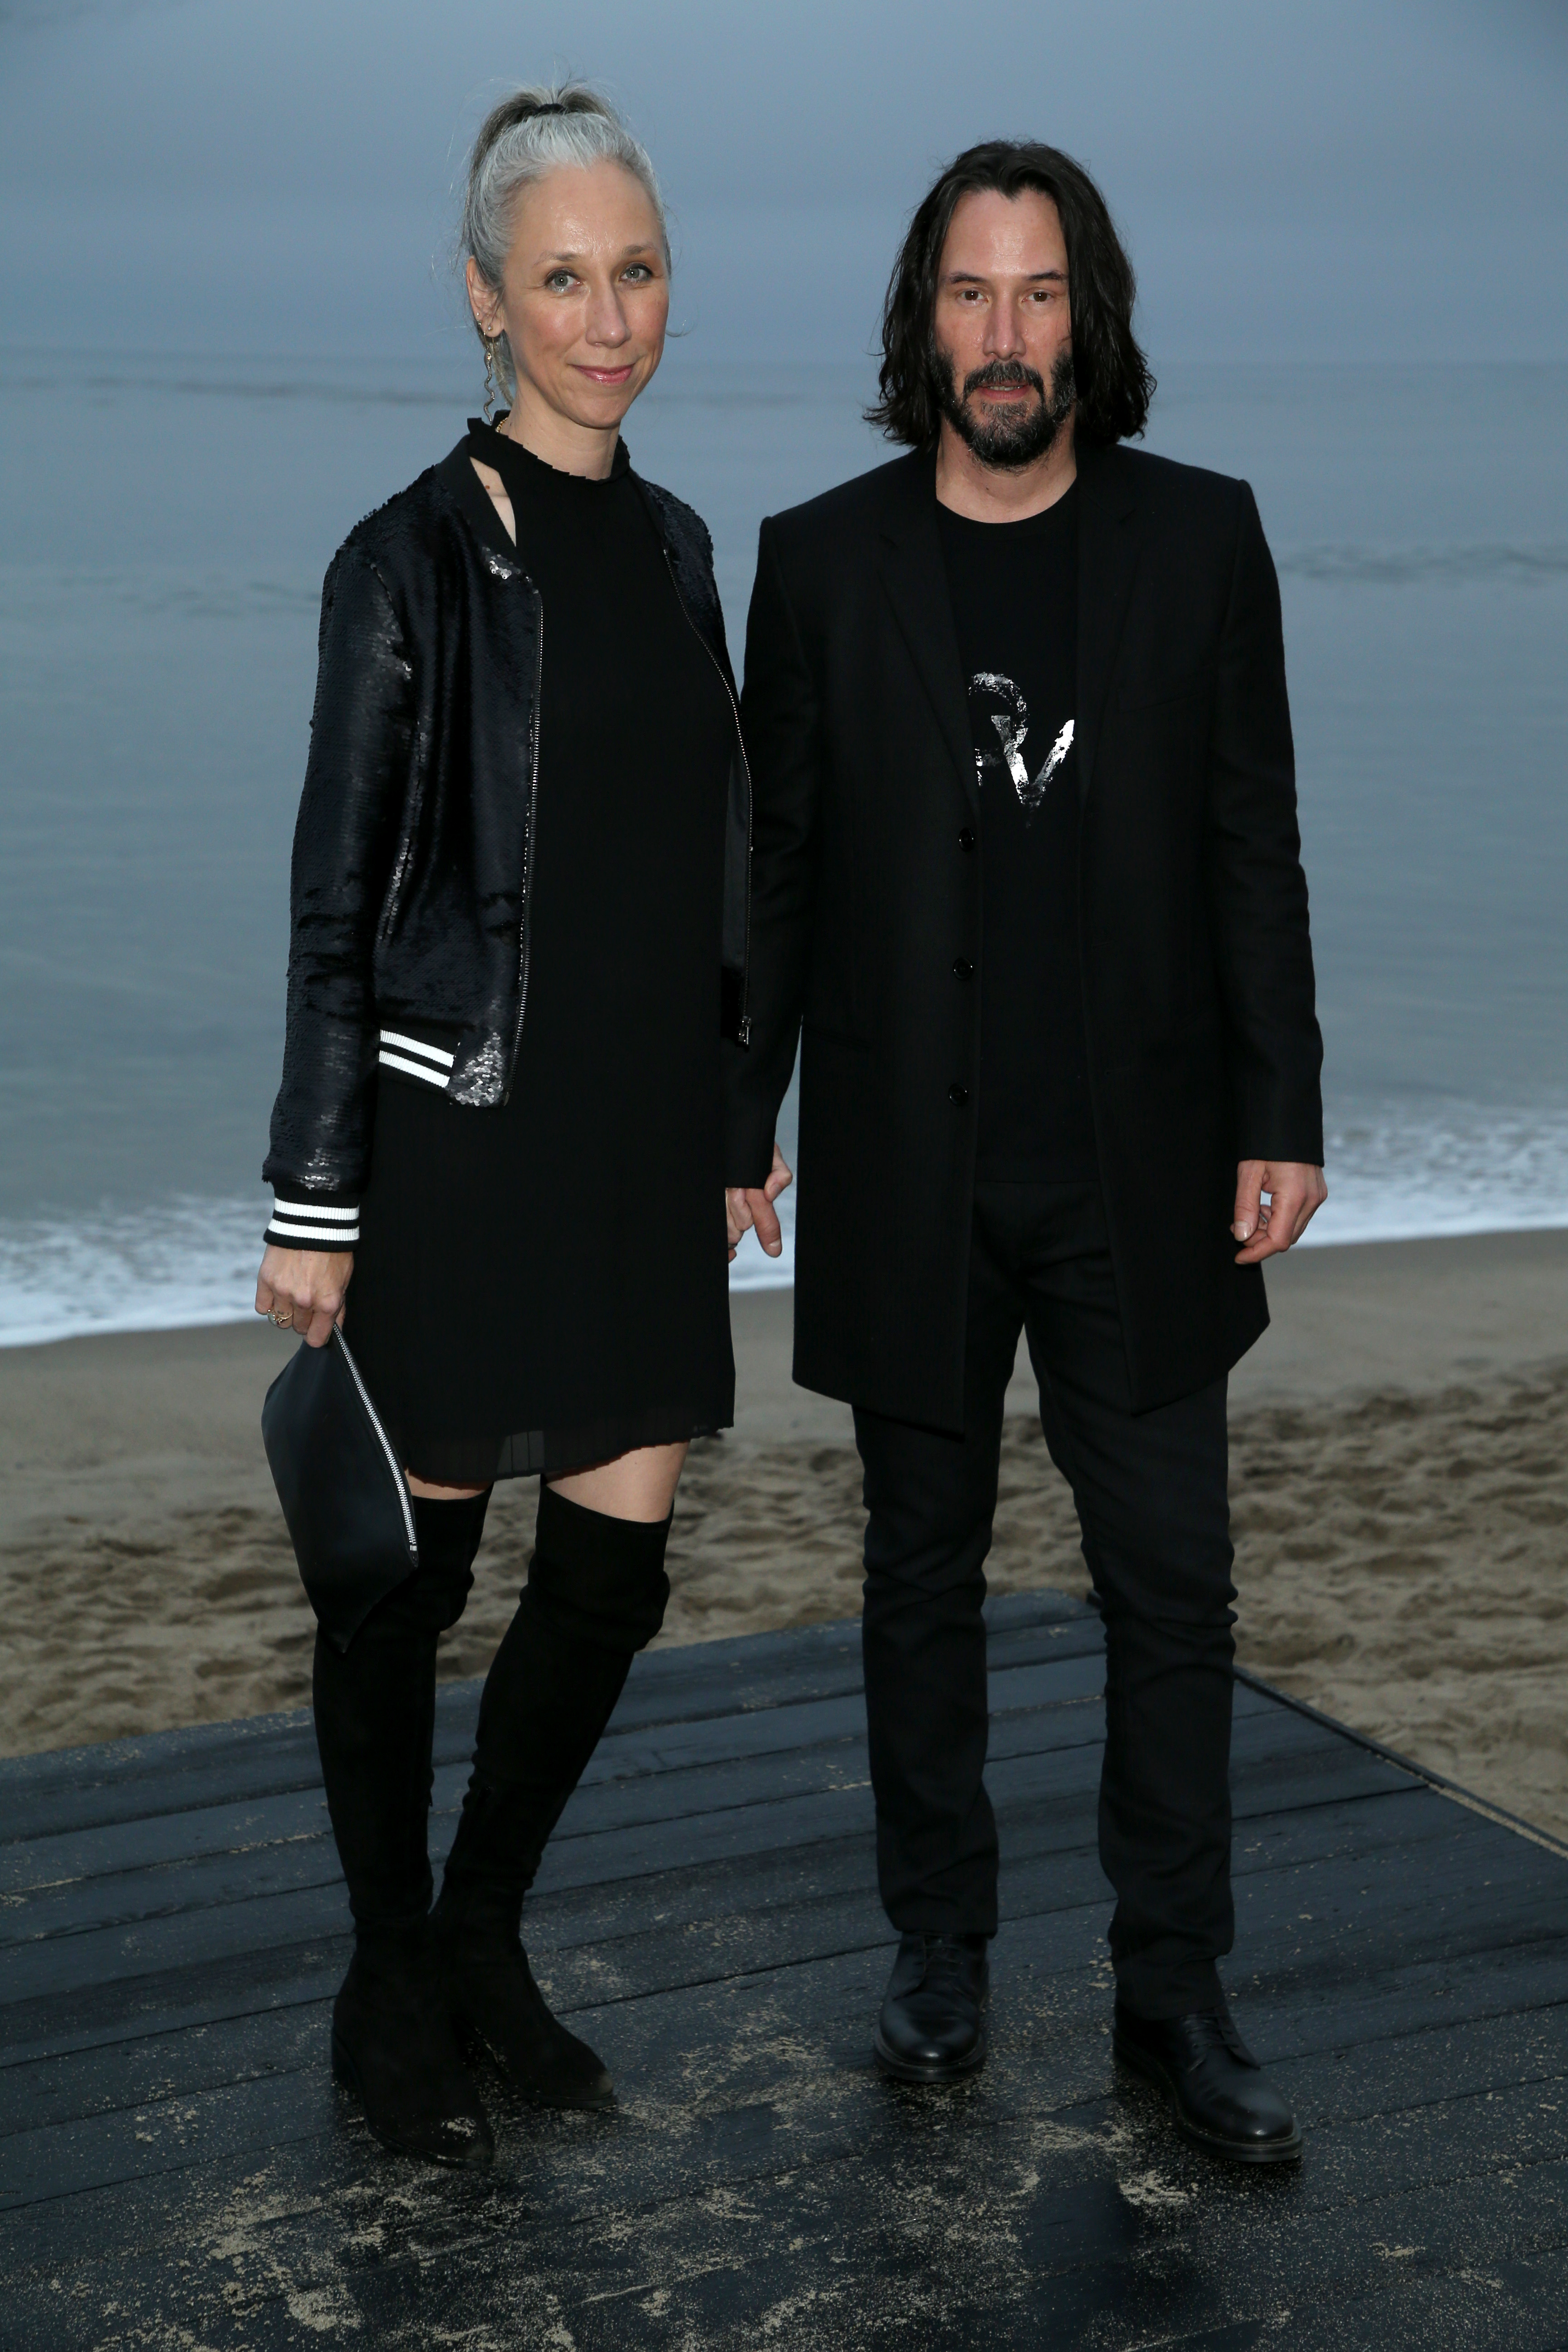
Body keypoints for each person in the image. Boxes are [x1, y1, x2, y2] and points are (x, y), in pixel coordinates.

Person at [725, 141, 1324, 2165]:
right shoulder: (816, 565)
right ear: (924, 324)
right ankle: (942, 1954)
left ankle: (1175, 1993)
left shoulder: (1203, 541)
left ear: (1092, 317)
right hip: (909, 1162)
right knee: (920, 1584)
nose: (1006, 336)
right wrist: (746, 1117)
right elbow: (780, 873)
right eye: (972, 296)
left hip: (1144, 1168)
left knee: (1177, 1593)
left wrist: (1283, 1112)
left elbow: (1256, 844)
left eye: (1041, 293)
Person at [256, 84, 774, 2170]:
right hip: (460, 1141)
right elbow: (337, 899)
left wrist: (748, 1109)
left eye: (635, 270)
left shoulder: (674, 545)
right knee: (406, 1588)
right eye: (563, 277)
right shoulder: (400, 563)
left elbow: (714, 860)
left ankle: (486, 1936)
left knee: (614, 1579)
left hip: (646, 1145)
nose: (607, 314)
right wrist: (313, 1200)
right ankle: (389, 1972)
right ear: (488, 299)